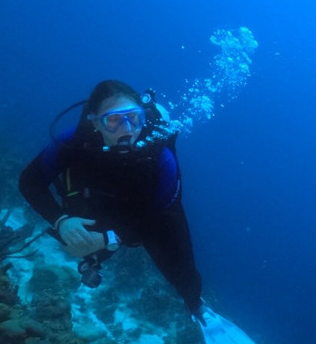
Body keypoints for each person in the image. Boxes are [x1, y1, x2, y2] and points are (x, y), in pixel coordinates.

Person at [19, 79, 204, 321]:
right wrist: (61, 221)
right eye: (114, 120)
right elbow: (29, 182)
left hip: (152, 210)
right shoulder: (73, 142)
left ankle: (196, 305)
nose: (127, 129)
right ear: (95, 121)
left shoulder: (160, 157)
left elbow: (161, 218)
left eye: (133, 118)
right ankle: (92, 260)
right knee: (83, 230)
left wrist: (109, 238)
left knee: (182, 267)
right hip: (100, 201)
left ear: (143, 117)